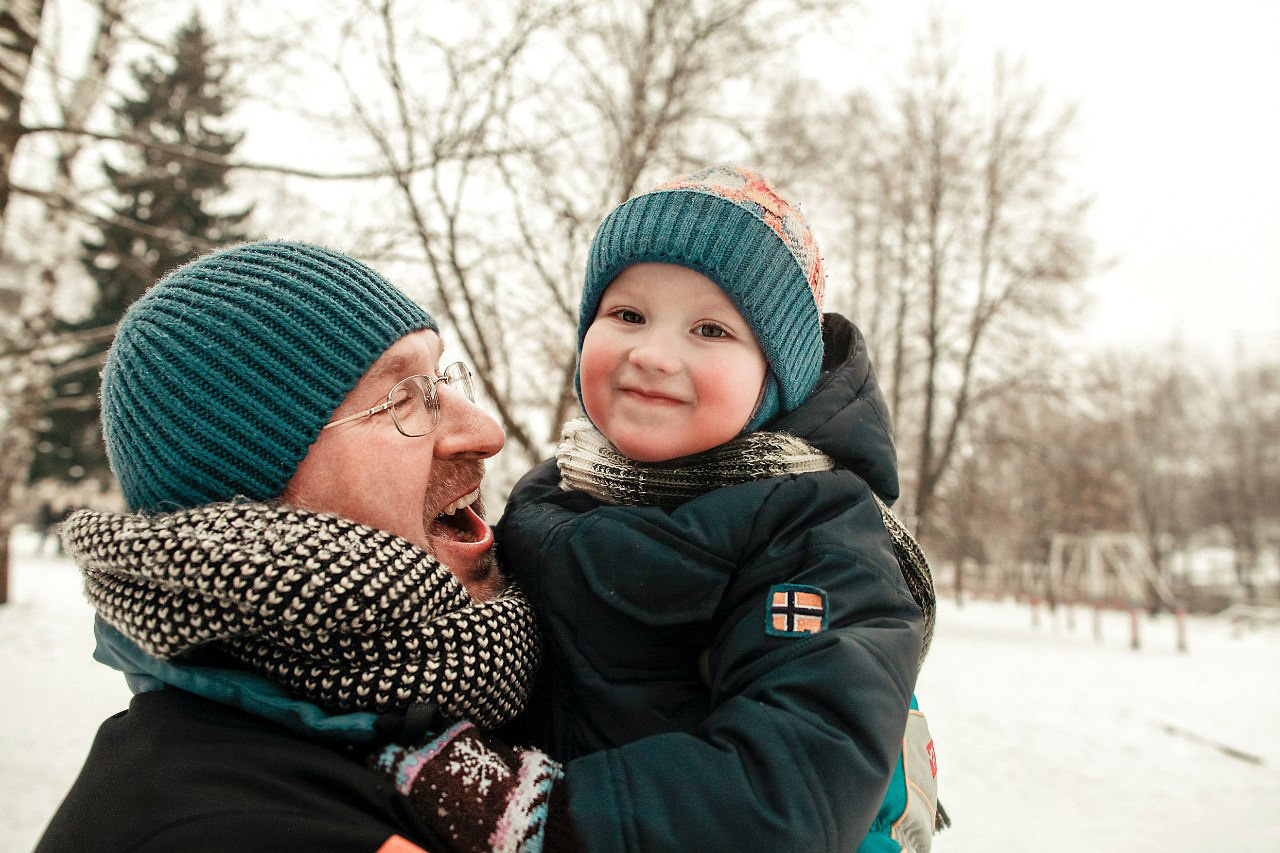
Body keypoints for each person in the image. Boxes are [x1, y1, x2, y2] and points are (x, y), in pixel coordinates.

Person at [35, 241, 552, 853]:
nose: (484, 432)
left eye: (441, 379)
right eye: (406, 399)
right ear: (250, 506)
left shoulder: (523, 662)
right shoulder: (220, 827)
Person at [494, 165, 942, 852]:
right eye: (628, 315)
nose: (652, 352)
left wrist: (541, 815)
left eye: (709, 329)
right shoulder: (549, 492)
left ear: (775, 377)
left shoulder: (814, 533)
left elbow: (793, 783)